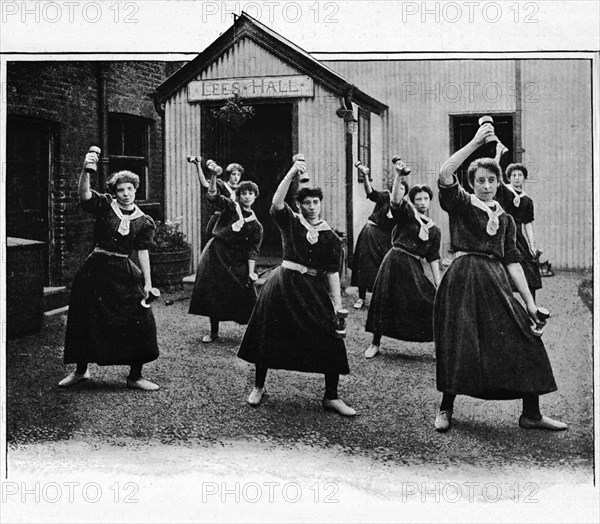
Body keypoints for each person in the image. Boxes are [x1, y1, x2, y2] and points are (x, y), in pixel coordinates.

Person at [433, 123, 566, 432]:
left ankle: (531, 413)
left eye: (492, 180)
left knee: (525, 337)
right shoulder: (462, 204)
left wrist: (531, 305)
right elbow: (444, 174)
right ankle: (445, 408)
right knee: (459, 342)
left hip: (495, 281)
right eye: (480, 180)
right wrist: (475, 143)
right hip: (463, 279)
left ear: (499, 182)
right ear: (472, 183)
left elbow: (513, 263)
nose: (487, 186)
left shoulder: (505, 219)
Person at [237, 158, 355, 416]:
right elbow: (276, 203)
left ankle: (331, 397)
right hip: (282, 285)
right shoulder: (290, 221)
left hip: (312, 289)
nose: (312, 207)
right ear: (299, 205)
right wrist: (291, 172)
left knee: (330, 337)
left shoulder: (331, 237)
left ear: (320, 205)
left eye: (316, 203)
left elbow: (333, 273)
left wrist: (337, 306)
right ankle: (259, 387)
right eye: (307, 203)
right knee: (268, 334)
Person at [59, 150, 160, 391]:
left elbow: (143, 251)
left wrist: (148, 283)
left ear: (136, 190)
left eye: (130, 189)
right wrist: (86, 169)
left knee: (141, 319)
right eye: (121, 190)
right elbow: (84, 195)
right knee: (85, 317)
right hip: (95, 270)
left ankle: (135, 376)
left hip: (124, 272)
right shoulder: (105, 205)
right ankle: (81, 371)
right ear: (114, 192)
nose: (125, 194)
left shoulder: (144, 220)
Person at [364, 160, 441, 358]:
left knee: (431, 301)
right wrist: (399, 175)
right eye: (418, 199)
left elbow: (432, 258)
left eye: (425, 199)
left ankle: (438, 345)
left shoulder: (434, 230)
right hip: (395, 260)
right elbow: (395, 201)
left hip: (413, 266)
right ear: (413, 201)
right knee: (383, 300)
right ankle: (375, 343)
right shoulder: (407, 214)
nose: (422, 202)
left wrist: (439, 284)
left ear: (430, 201)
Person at [188, 160, 263, 343]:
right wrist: (214, 175)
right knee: (214, 291)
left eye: (250, 193)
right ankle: (214, 332)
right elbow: (212, 196)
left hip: (237, 258)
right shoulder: (230, 208)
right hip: (217, 252)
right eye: (243, 193)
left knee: (246, 290)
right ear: (238, 195)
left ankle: (253, 332)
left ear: (255, 197)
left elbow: (253, 249)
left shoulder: (257, 225)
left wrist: (252, 271)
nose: (246, 196)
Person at [493, 144, 543, 300]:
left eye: (520, 175)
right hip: (501, 234)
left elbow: (528, 224)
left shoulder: (527, 201)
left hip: (517, 237)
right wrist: (498, 154)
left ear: (524, 177)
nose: (516, 178)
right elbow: (493, 173)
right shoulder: (503, 190)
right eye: (513, 175)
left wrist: (532, 245)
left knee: (529, 266)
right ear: (509, 177)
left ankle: (532, 308)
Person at [349, 164, 395, 310]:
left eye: (402, 190)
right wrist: (366, 176)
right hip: (370, 233)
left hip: (386, 239)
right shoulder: (385, 197)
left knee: (384, 267)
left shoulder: (403, 207)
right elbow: (370, 192)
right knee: (364, 265)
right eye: (397, 188)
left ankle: (381, 298)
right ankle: (361, 297)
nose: (398, 191)